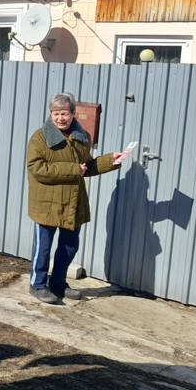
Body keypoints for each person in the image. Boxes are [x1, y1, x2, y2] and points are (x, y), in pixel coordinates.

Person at [26, 92, 122, 304]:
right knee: (43, 248)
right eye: (56, 113)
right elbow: (37, 168)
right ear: (51, 114)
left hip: (72, 204)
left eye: (65, 114)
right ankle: (38, 284)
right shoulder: (40, 138)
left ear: (73, 114)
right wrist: (72, 169)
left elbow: (86, 168)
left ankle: (58, 284)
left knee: (69, 247)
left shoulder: (81, 137)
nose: (61, 118)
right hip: (47, 204)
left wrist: (110, 161)